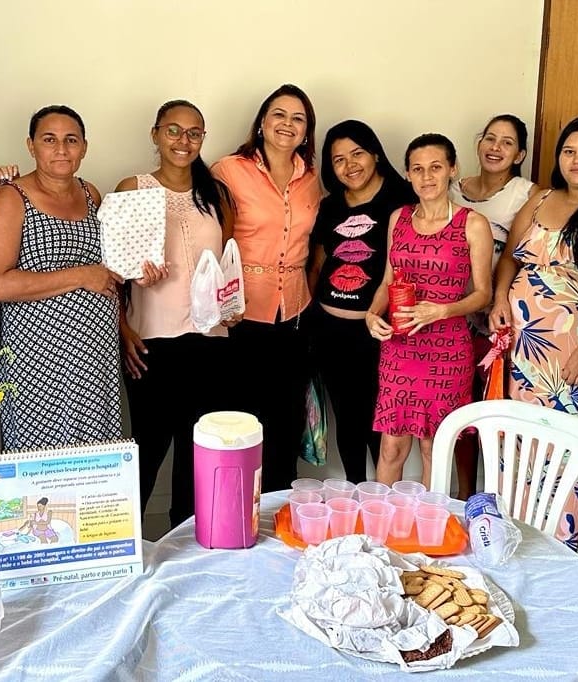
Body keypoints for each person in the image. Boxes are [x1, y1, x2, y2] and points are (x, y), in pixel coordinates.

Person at [489, 115, 578, 550]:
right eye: (569, 151)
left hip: (575, 353)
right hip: (523, 351)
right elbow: (509, 259)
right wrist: (499, 300)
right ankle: (512, 544)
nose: (577, 160)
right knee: (519, 446)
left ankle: (561, 552)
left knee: (568, 453)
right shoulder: (540, 199)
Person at [116, 99, 234, 525]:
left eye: (194, 133)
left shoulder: (216, 194)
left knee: (196, 448)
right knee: (147, 445)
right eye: (173, 130)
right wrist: (123, 328)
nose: (184, 140)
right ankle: (129, 540)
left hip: (209, 338)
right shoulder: (133, 188)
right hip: (151, 339)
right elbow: (113, 272)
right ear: (155, 134)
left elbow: (227, 264)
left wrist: (231, 307)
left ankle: (186, 538)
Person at [0, 105, 124, 450]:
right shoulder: (11, 198)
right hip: (40, 359)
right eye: (49, 139)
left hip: (96, 354)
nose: (61, 149)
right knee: (43, 462)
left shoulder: (90, 193)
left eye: (71, 140)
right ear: (31, 146)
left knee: (96, 460)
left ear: (84, 147)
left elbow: (107, 269)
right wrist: (80, 276)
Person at [211, 84, 321, 493]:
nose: (287, 124)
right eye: (279, 114)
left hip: (294, 314)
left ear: (307, 131)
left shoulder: (312, 179)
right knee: (242, 419)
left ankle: (277, 507)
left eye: (298, 118)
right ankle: (238, 507)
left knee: (286, 419)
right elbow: (211, 237)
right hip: (242, 313)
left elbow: (317, 244)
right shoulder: (228, 170)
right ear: (261, 122)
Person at [366, 134, 493, 487]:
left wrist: (441, 311)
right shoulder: (399, 218)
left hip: (447, 350)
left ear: (453, 169)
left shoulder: (472, 223)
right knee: (391, 447)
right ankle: (382, 518)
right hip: (399, 345)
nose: (426, 177)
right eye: (417, 169)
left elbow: (483, 294)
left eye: (435, 167)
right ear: (408, 174)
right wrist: (372, 314)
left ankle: (428, 519)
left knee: (433, 447)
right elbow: (388, 281)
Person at [307, 120, 415, 483]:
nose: (349, 165)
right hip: (330, 331)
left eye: (357, 154)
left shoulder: (402, 200)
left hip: (381, 332)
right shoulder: (330, 206)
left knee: (380, 421)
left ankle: (382, 497)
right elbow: (318, 264)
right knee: (348, 418)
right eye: (339, 159)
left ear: (375, 155)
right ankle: (355, 491)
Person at [448, 113, 538, 499]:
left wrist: (499, 297)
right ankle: (464, 494)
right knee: (458, 411)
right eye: (489, 138)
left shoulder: (528, 194)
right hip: (451, 317)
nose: (495, 147)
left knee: (494, 410)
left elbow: (520, 255)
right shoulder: (451, 188)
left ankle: (496, 498)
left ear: (520, 155)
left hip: (498, 322)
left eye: (507, 142)